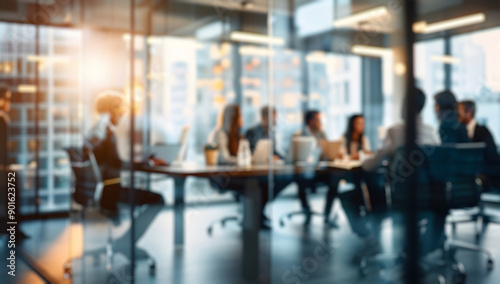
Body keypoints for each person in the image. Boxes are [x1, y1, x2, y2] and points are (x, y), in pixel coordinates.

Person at [344, 88, 441, 257]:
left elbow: (370, 166)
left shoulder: (395, 132)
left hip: (402, 197)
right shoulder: (432, 132)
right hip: (430, 196)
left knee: (352, 195)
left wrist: (365, 160)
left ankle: (371, 239)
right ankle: (421, 249)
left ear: (404, 107)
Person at [84, 91, 165, 242]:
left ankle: (125, 242)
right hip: (110, 193)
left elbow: (111, 163)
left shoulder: (96, 131)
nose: (122, 114)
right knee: (158, 200)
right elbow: (116, 165)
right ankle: (126, 242)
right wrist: (146, 163)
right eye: (119, 110)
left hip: (99, 191)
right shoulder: (106, 133)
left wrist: (141, 162)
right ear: (110, 111)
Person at [458, 100, 500, 186]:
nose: (456, 114)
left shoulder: (483, 131)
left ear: (468, 112)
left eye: (458, 111)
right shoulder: (460, 131)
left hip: (485, 178)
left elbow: (492, 158)